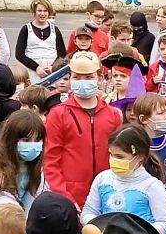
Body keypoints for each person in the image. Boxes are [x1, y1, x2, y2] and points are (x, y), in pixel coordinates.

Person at [43, 50, 121, 208]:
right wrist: (64, 197)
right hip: (70, 197)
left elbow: (120, 156)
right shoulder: (58, 114)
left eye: (89, 77)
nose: (82, 81)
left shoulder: (113, 115)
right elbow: (51, 161)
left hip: (107, 195)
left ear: (99, 78)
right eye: (77, 77)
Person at [81, 123, 166, 234]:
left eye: (120, 157)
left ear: (140, 156)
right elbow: (88, 212)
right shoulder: (102, 179)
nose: (113, 160)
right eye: (111, 155)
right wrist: (102, 228)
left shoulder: (152, 185)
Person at [15, 0, 66, 83]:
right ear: (34, 12)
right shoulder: (26, 29)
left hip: (51, 73)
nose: (42, 14)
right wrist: (36, 68)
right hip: (32, 73)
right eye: (39, 11)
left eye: (45, 11)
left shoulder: (55, 30)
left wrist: (53, 67)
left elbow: (62, 54)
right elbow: (19, 54)